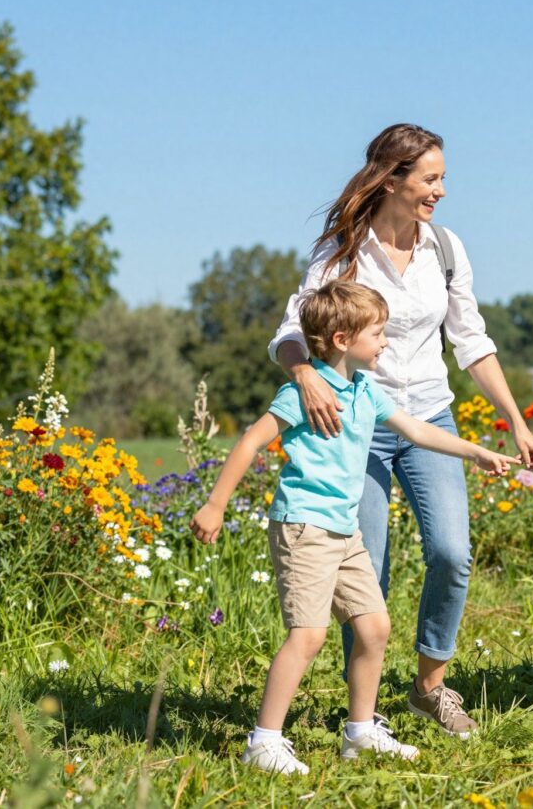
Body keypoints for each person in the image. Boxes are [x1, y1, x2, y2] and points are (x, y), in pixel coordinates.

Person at [268, 123, 533, 737]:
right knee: (368, 566)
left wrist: (515, 420)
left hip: (430, 415)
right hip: (354, 422)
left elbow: (471, 343)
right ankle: (363, 711)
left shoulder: (445, 249)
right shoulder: (342, 250)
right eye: (431, 178)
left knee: (452, 552)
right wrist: (307, 376)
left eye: (442, 177)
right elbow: (292, 330)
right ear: (392, 179)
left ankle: (428, 687)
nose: (441, 190)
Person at [191, 281, 513, 775]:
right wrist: (215, 505)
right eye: (379, 333)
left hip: (344, 532)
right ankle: (264, 741)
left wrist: (477, 452)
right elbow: (250, 443)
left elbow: (417, 430)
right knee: (309, 636)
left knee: (374, 626)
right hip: (304, 527)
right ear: (342, 339)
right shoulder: (304, 392)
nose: (386, 342)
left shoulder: (366, 390)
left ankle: (361, 732)